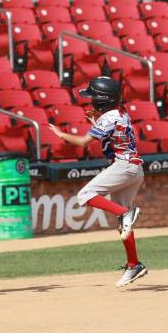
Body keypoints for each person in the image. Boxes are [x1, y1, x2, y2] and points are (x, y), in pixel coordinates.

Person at [47, 76, 147, 287]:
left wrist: (60, 134)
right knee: (123, 227)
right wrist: (95, 122)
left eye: (92, 96)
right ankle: (134, 264)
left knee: (85, 195)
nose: (90, 100)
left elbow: (83, 143)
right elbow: (110, 135)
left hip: (124, 166)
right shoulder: (120, 113)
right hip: (134, 168)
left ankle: (124, 213)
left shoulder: (108, 118)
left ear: (101, 101)